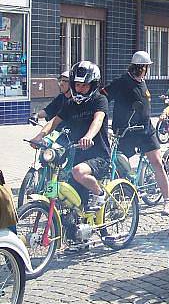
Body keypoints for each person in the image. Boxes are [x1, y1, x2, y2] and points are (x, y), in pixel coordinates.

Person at [31, 61, 110, 211]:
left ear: (93, 85)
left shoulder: (99, 100)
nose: (80, 89)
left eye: (84, 85)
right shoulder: (70, 103)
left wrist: (88, 136)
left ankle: (100, 194)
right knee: (70, 195)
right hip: (76, 155)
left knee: (78, 172)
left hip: (98, 156)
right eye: (77, 85)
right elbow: (54, 121)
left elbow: (98, 120)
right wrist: (39, 136)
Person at [101, 51, 169, 214]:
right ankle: (119, 197)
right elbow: (103, 98)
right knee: (117, 165)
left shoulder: (142, 81)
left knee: (157, 162)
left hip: (146, 130)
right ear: (141, 68)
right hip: (126, 132)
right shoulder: (122, 82)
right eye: (145, 67)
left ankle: (167, 200)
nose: (145, 70)